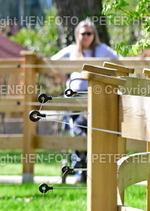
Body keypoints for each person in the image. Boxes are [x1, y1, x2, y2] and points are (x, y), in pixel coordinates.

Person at [52, 19, 120, 183]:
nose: (86, 36)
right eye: (83, 33)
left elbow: (120, 61)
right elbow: (51, 62)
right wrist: (63, 78)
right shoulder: (71, 50)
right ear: (78, 35)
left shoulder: (102, 49)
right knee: (76, 130)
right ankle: (80, 170)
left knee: (90, 129)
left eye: (89, 33)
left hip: (95, 96)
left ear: (94, 35)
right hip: (74, 96)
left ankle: (92, 168)